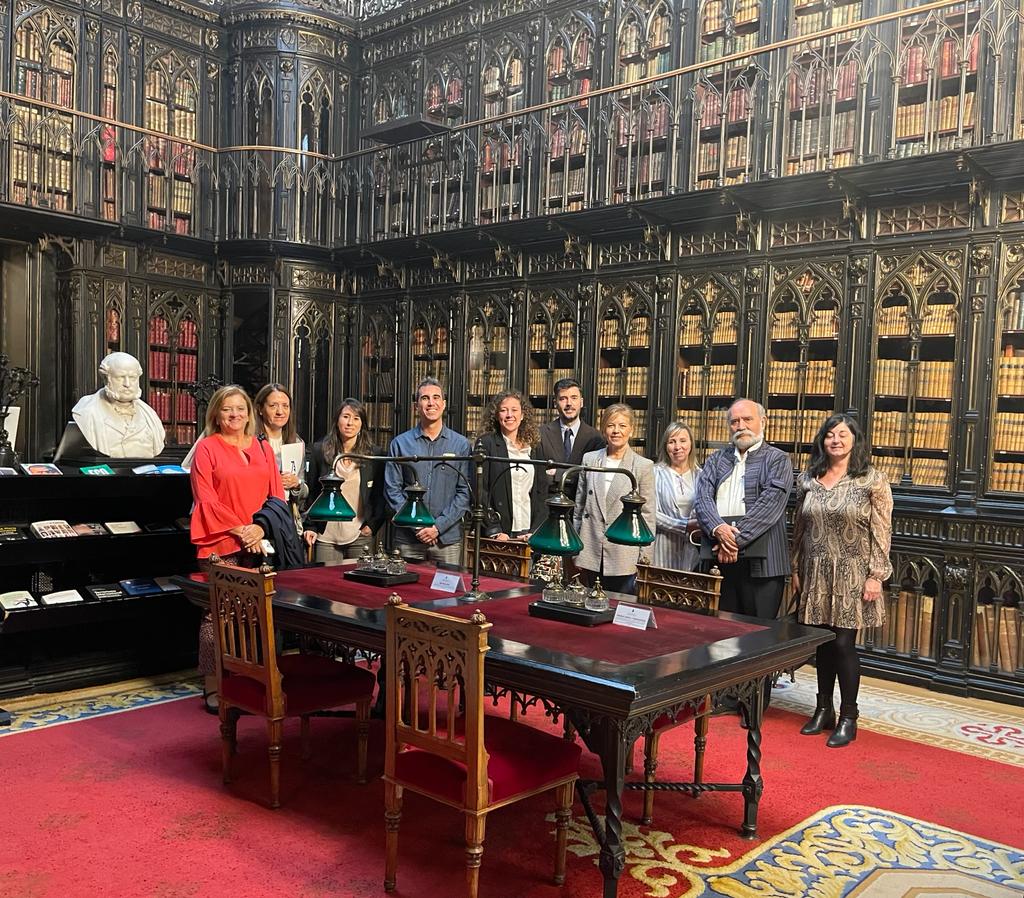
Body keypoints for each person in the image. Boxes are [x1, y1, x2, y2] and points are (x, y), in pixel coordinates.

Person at [791, 414, 893, 748]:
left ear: (855, 440)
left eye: (842, 434)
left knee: (842, 644)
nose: (835, 440)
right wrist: (795, 569)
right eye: (830, 435)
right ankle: (823, 709)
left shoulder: (872, 479)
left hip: (853, 572)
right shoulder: (809, 478)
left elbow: (882, 531)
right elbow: (800, 528)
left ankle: (849, 716)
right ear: (822, 441)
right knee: (822, 643)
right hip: (815, 571)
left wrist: (876, 575)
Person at [189, 384, 284, 712]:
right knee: (217, 615)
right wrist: (243, 531)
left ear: (249, 413)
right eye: (227, 409)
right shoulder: (207, 448)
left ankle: (245, 680)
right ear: (216, 414)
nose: (234, 414)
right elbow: (206, 499)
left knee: (254, 615)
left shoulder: (263, 448)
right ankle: (213, 684)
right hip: (220, 543)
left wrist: (259, 528)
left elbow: (276, 497)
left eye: (240, 408)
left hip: (259, 543)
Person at [693, 398, 792, 621]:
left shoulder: (778, 459)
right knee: (719, 631)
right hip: (718, 561)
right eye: (734, 421)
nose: (741, 426)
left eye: (747, 419)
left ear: (763, 421)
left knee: (758, 633)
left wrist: (731, 542)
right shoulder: (716, 459)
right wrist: (718, 529)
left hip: (763, 567)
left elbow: (770, 505)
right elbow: (702, 499)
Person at [385, 377, 471, 565]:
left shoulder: (461, 445)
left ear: (444, 404)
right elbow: (392, 490)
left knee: (448, 584)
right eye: (425, 398)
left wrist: (437, 527)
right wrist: (418, 525)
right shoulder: (400, 444)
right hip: (408, 538)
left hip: (447, 540)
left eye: (436, 397)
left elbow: (464, 493)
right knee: (405, 583)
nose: (431, 403)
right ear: (416, 406)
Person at [573, 403, 656, 594]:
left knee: (620, 606)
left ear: (631, 430)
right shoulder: (589, 459)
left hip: (624, 554)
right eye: (611, 425)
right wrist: (576, 549)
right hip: (590, 549)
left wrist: (645, 559)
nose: (616, 431)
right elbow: (579, 508)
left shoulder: (642, 466)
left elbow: (648, 516)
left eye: (622, 425)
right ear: (604, 430)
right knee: (589, 603)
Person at [305, 398, 386, 563]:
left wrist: (372, 525)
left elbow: (380, 495)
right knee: (326, 578)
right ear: (337, 420)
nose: (350, 423)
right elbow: (312, 492)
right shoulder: (319, 451)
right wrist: (310, 526)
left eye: (356, 418)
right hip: (325, 534)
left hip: (359, 534)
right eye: (346, 417)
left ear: (362, 424)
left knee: (358, 579)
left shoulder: (373, 455)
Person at [476, 390, 549, 539]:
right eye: (503, 410)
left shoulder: (534, 446)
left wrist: (535, 531)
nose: (509, 415)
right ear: (497, 415)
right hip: (500, 531)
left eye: (514, 410)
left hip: (528, 530)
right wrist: (495, 530)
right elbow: (480, 491)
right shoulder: (486, 443)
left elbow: (542, 493)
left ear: (522, 415)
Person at [71, 351, 165, 457]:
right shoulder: (87, 411)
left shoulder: (150, 415)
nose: (127, 384)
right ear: (106, 378)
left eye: (132, 378)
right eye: (120, 377)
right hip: (107, 466)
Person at [253, 383, 312, 543]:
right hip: (257, 515)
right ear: (260, 409)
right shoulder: (250, 441)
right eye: (273, 406)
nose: (280, 411)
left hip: (286, 516)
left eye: (285, 406)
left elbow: (304, 491)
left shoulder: (296, 442)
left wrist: (296, 484)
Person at [538, 377, 605, 502]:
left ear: (581, 402)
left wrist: (557, 474)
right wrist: (576, 473)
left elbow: (593, 478)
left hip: (580, 505)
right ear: (555, 403)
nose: (569, 403)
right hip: (548, 505)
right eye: (563, 399)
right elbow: (539, 475)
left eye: (574, 398)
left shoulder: (595, 438)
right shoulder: (541, 434)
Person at [651, 422, 701, 571]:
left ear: (691, 444)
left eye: (683, 441)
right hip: (662, 549)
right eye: (672, 442)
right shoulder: (654, 473)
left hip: (693, 551)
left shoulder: (702, 476)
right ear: (665, 446)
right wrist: (684, 526)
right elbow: (649, 512)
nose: (677, 447)